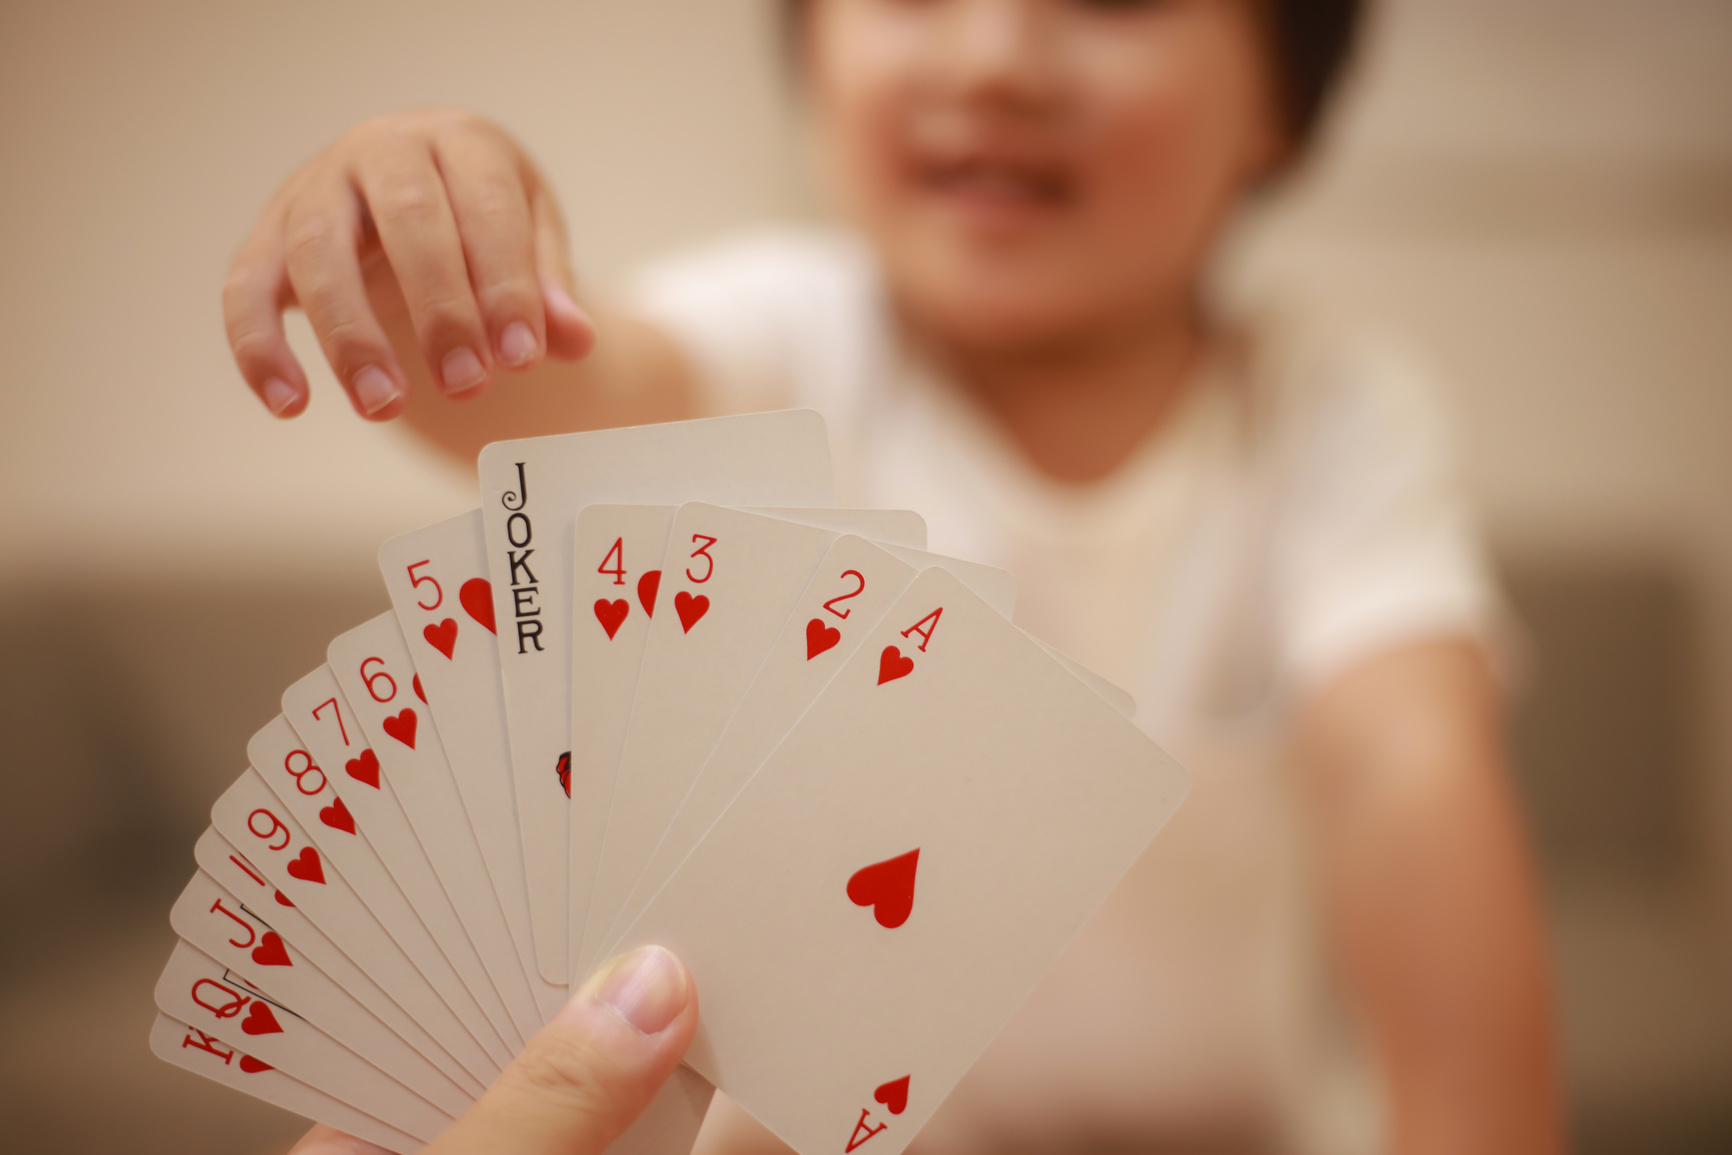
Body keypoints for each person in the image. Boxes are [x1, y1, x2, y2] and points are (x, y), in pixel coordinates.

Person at [223, 1, 1564, 1151]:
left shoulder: (1328, 411)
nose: (995, 57)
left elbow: (1409, 766)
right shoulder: (784, 334)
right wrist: (438, 239)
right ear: (810, 52)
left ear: (1279, 98)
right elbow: (541, 402)